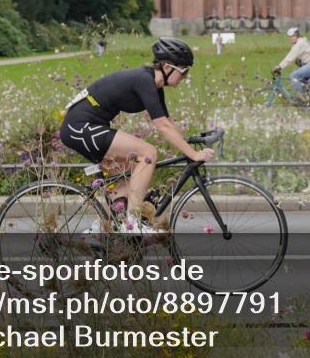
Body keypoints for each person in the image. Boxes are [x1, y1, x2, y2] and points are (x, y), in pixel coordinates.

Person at [59, 38, 213, 234]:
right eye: (184, 71)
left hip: (86, 127)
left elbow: (167, 121)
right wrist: (193, 154)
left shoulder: (154, 85)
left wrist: (189, 141)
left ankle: (101, 228)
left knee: (128, 175)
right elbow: (162, 127)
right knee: (148, 153)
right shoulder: (144, 80)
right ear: (167, 67)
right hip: (80, 126)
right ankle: (133, 223)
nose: (185, 77)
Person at [273, 27, 310, 96]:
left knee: (293, 76)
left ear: (297, 36)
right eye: (289, 37)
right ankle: (309, 96)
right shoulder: (299, 43)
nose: (290, 38)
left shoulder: (300, 44)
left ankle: (301, 96)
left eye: (292, 36)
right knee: (302, 82)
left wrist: (279, 67)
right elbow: (295, 58)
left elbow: (289, 58)